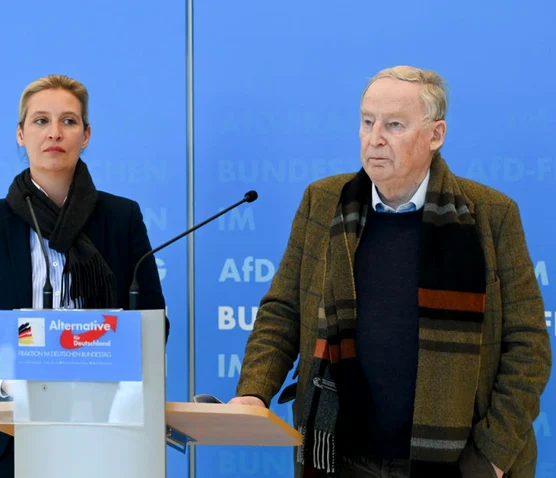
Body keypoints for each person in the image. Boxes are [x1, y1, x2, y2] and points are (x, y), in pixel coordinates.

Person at [230, 66, 551, 478]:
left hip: (457, 463)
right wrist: (254, 392)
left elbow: (528, 347)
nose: (374, 138)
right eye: (367, 122)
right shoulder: (323, 202)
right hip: (341, 457)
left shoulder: (491, 215)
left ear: (436, 135)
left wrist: (490, 457)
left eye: (394, 125)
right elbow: (284, 312)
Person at [0, 74, 168, 478]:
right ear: (21, 134)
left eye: (69, 121)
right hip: (5, 435)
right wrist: (7, 381)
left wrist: (109, 360)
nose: (54, 132)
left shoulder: (121, 218)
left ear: (87, 135)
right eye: (41, 121)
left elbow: (153, 322)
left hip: (104, 428)